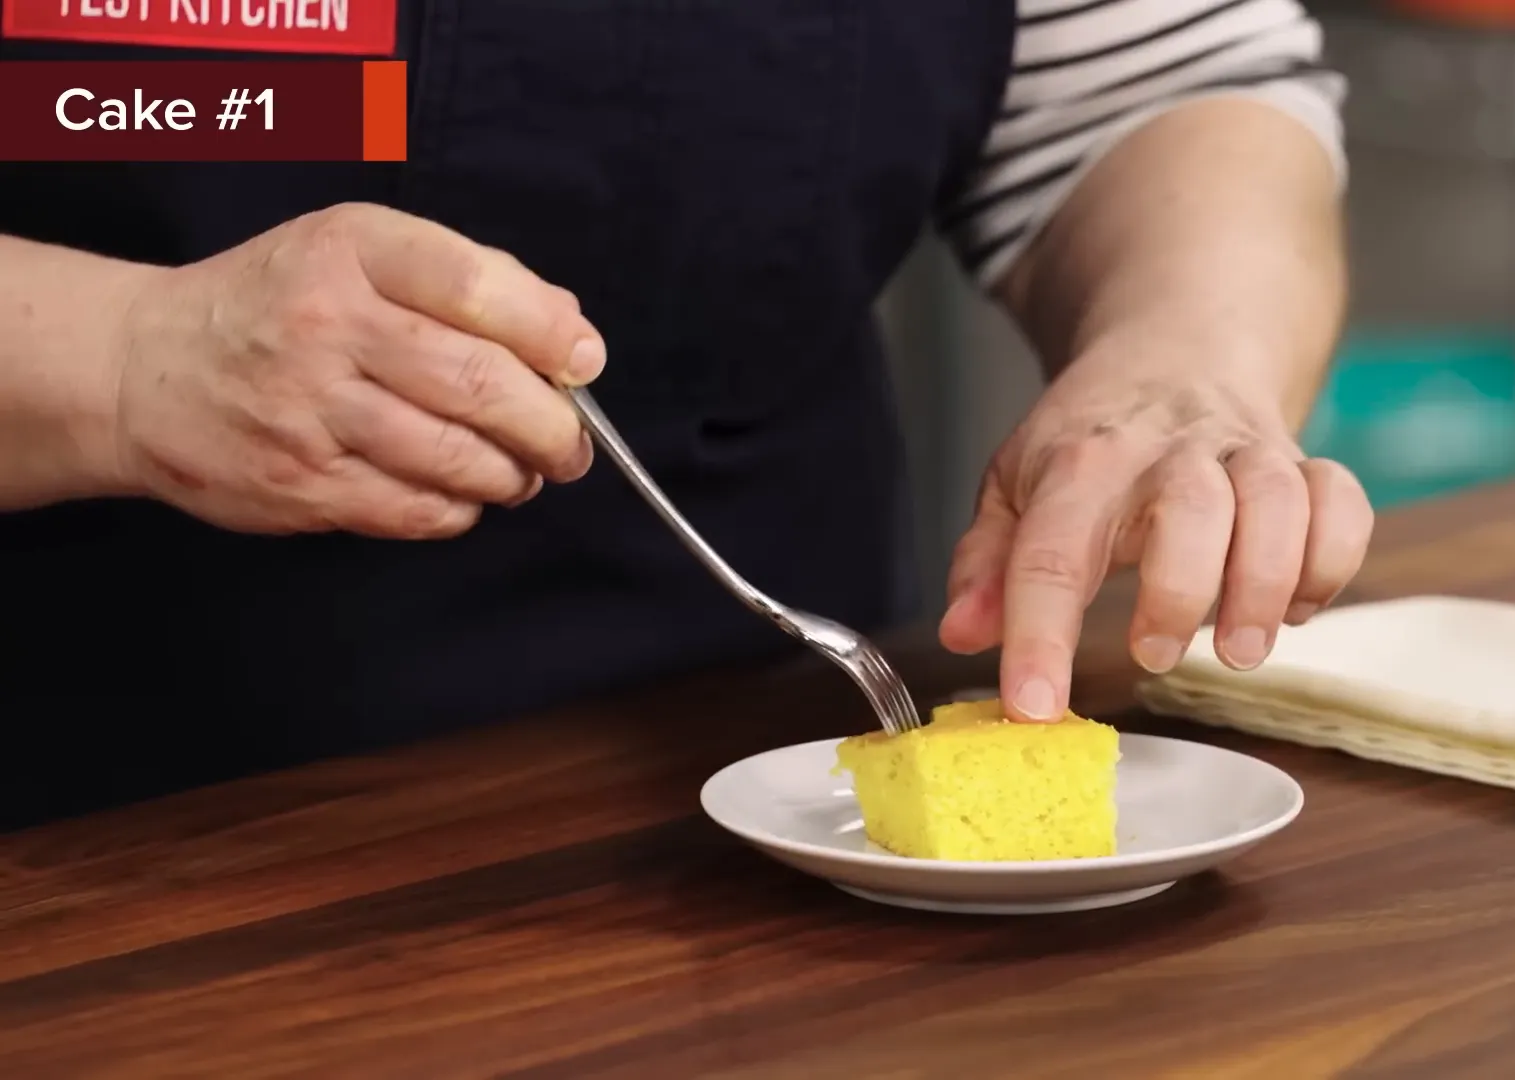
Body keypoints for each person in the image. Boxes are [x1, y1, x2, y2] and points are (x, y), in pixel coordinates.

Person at [0, 0, 1373, 827]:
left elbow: (1158, 82)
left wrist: (1188, 352)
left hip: (785, 841)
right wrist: (117, 360)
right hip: (93, 855)